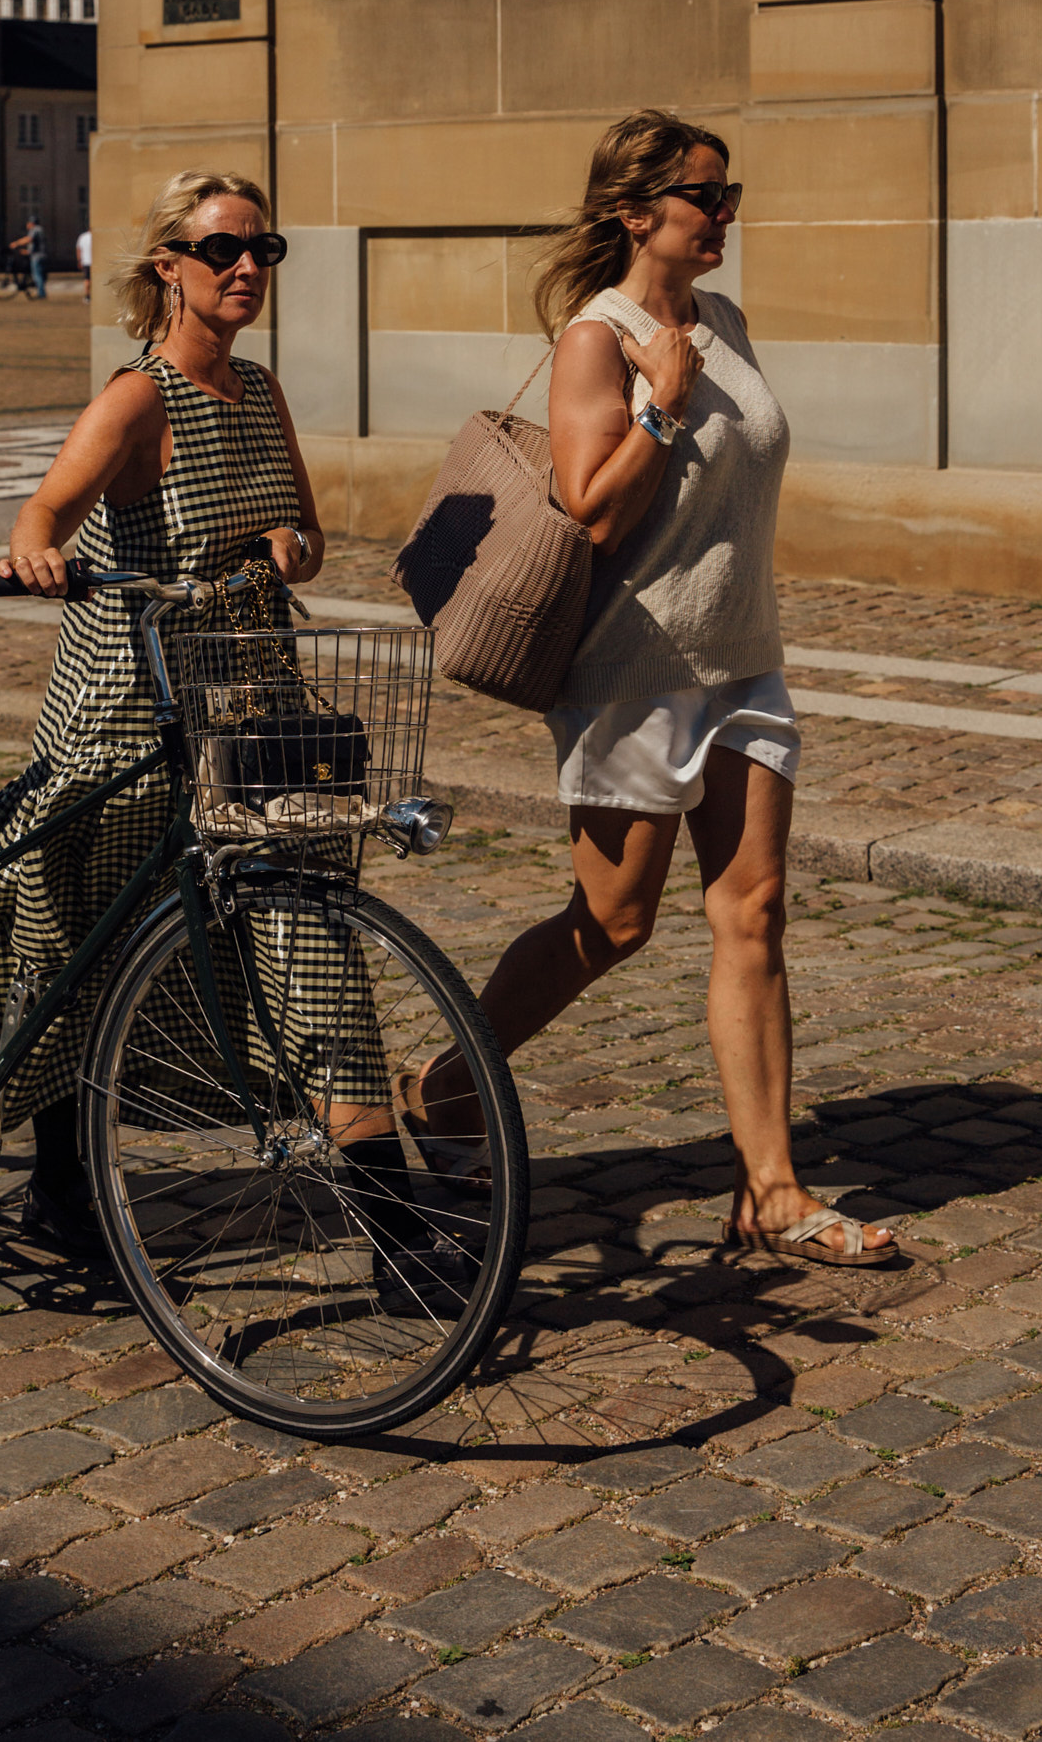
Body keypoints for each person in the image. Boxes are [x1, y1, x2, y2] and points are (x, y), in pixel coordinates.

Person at [402, 109, 894, 1270]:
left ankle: (769, 1189)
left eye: (729, 196)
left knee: (753, 913)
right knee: (613, 923)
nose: (725, 215)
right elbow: (590, 507)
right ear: (639, 212)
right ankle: (441, 1083)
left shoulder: (718, 319)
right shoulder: (598, 338)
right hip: (633, 668)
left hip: (741, 659)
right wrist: (660, 407)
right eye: (704, 197)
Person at [0, 169, 381, 1263]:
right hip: (127, 709)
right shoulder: (137, 398)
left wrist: (289, 547)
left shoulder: (261, 391)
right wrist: (39, 548)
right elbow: (46, 505)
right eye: (222, 249)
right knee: (76, 934)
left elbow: (307, 533)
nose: (246, 268)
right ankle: (56, 1179)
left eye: (261, 251)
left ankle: (396, 1211)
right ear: (167, 267)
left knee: (306, 927)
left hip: (246, 700)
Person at [10, 213, 47, 298]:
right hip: (39, 255)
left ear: (31, 223)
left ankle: (41, 293)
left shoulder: (36, 229)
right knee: (38, 274)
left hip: (37, 256)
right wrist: (26, 251)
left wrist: (16, 243)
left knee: (37, 275)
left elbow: (29, 239)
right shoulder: (39, 230)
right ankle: (40, 291)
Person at [75, 224, 92, 303]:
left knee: (87, 279)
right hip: (94, 262)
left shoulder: (82, 237)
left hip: (86, 261)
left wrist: (79, 260)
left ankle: (87, 296)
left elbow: (78, 249)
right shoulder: (96, 237)